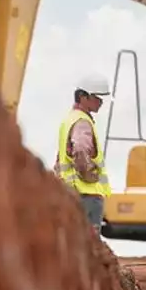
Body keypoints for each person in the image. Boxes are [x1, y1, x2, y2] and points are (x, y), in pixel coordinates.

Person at [54, 73, 113, 230]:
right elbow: (80, 149)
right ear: (83, 96)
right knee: (88, 247)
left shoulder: (69, 119)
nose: (100, 102)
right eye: (97, 97)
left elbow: (60, 159)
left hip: (71, 193)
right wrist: (88, 175)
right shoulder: (82, 122)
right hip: (87, 195)